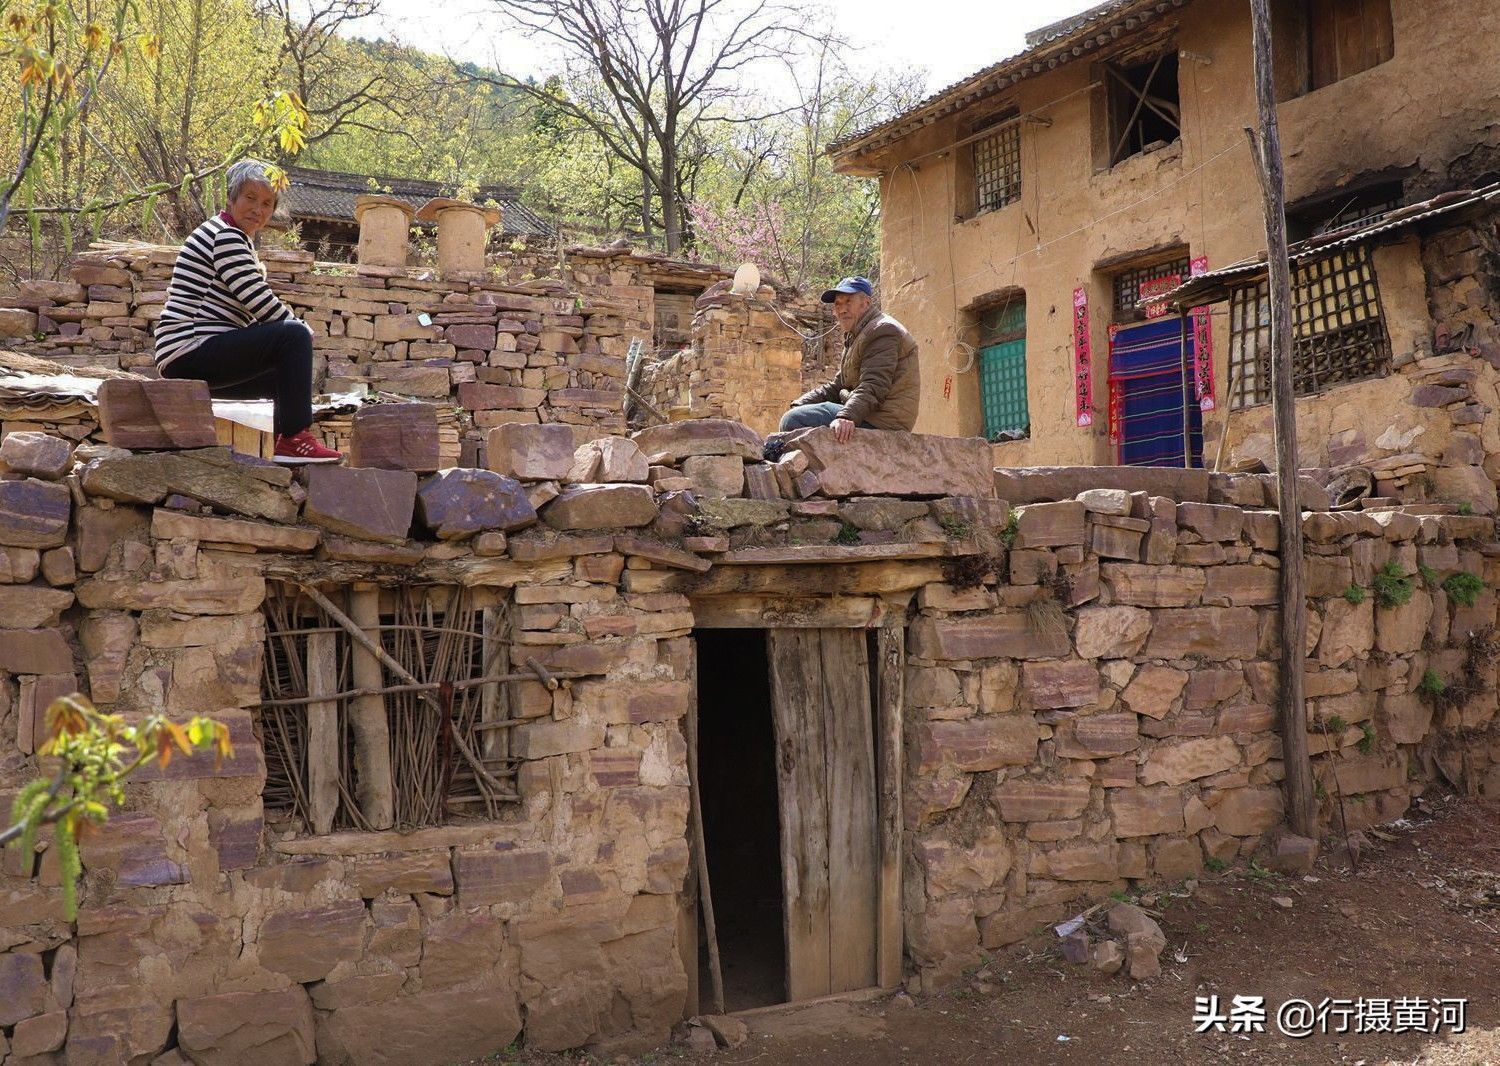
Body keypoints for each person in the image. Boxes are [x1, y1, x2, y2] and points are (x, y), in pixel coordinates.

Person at [154, 159, 342, 463]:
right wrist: (299, 330)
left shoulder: (229, 235)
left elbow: (251, 310)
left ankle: (284, 444)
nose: (258, 209)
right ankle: (295, 438)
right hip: (189, 349)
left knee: (286, 377)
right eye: (250, 198)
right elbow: (257, 300)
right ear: (232, 198)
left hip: (186, 356)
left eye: (267, 203)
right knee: (292, 337)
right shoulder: (225, 235)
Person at [779, 276, 919, 443]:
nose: (842, 309)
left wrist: (847, 416)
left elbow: (874, 385)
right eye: (838, 303)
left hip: (883, 420)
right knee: (795, 414)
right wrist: (800, 403)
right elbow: (839, 385)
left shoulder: (882, 330)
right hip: (870, 414)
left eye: (848, 301)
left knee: (794, 420)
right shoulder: (858, 333)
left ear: (866, 303)